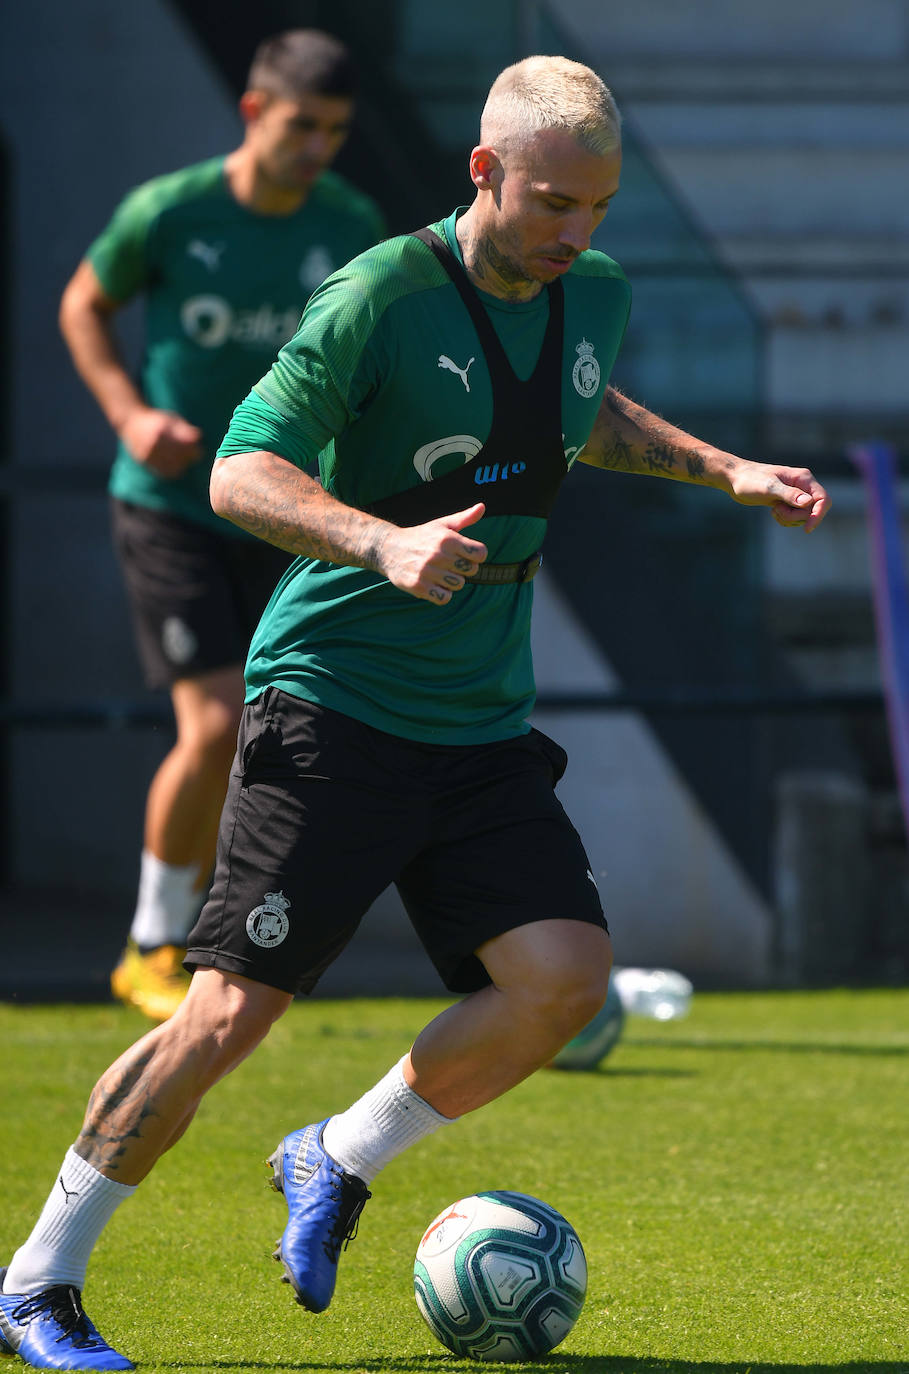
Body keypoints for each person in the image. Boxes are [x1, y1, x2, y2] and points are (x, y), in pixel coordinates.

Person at [0, 55, 830, 1371]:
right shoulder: (379, 292)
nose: (577, 233)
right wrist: (377, 545)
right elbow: (240, 468)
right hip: (334, 699)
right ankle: (39, 1279)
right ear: (483, 170)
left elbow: (576, 406)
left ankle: (334, 1151)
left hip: (479, 719)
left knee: (558, 982)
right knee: (227, 1014)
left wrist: (721, 466)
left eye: (599, 208)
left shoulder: (590, 291)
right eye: (553, 202)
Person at [58, 29, 386, 1023]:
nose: (316, 147)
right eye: (300, 126)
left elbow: (369, 362)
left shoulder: (350, 223)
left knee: (287, 730)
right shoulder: (169, 211)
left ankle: (238, 939)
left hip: (284, 512)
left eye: (333, 131)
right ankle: (150, 944)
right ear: (252, 112)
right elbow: (83, 304)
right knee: (208, 727)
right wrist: (130, 415)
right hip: (171, 507)